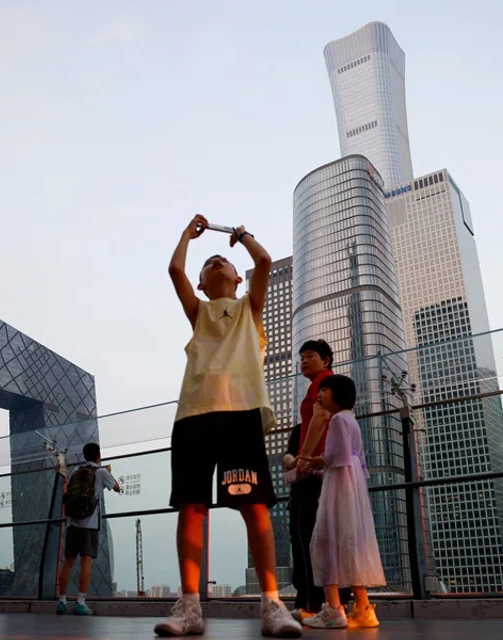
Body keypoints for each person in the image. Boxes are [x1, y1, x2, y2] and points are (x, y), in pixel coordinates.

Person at [155, 215, 301, 638]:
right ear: (201, 285)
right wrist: (186, 234)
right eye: (208, 263)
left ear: (238, 278)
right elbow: (174, 270)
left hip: (241, 414)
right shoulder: (198, 311)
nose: (215, 261)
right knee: (192, 506)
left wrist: (242, 237)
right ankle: (190, 606)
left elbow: (266, 260)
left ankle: (272, 604)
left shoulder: (249, 310)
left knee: (254, 505)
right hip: (194, 415)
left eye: (223, 261)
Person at [301, 374, 384, 629]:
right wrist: (320, 468)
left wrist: (305, 461)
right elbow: (349, 458)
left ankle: (334, 609)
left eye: (324, 390)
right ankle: (364, 609)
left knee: (326, 540)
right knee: (350, 542)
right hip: (352, 482)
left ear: (337, 394)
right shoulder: (352, 420)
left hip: (339, 486)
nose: (319, 395)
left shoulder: (337, 419)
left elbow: (333, 457)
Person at [281, 339, 350, 621]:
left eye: (310, 356)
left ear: (326, 360)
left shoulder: (324, 382)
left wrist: (302, 461)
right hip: (323, 470)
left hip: (316, 472)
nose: (304, 361)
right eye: (302, 357)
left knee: (308, 536)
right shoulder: (319, 386)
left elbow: (320, 418)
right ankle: (328, 603)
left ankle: (312, 604)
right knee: (323, 537)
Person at [56, 442, 121, 616]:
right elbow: (117, 488)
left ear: (85, 456)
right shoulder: (101, 472)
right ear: (98, 455)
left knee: (68, 562)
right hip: (89, 525)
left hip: (71, 523)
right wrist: (108, 471)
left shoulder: (76, 473)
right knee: (86, 561)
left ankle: (62, 601)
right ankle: (80, 602)